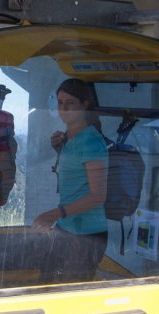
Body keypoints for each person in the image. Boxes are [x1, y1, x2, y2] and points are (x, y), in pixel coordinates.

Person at [32, 78, 108, 283]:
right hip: (67, 227)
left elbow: (98, 195)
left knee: (69, 292)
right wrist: (60, 151)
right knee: (45, 282)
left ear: (85, 105)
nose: (64, 109)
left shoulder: (91, 141)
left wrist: (53, 214)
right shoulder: (69, 138)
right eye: (60, 102)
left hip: (87, 234)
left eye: (70, 103)